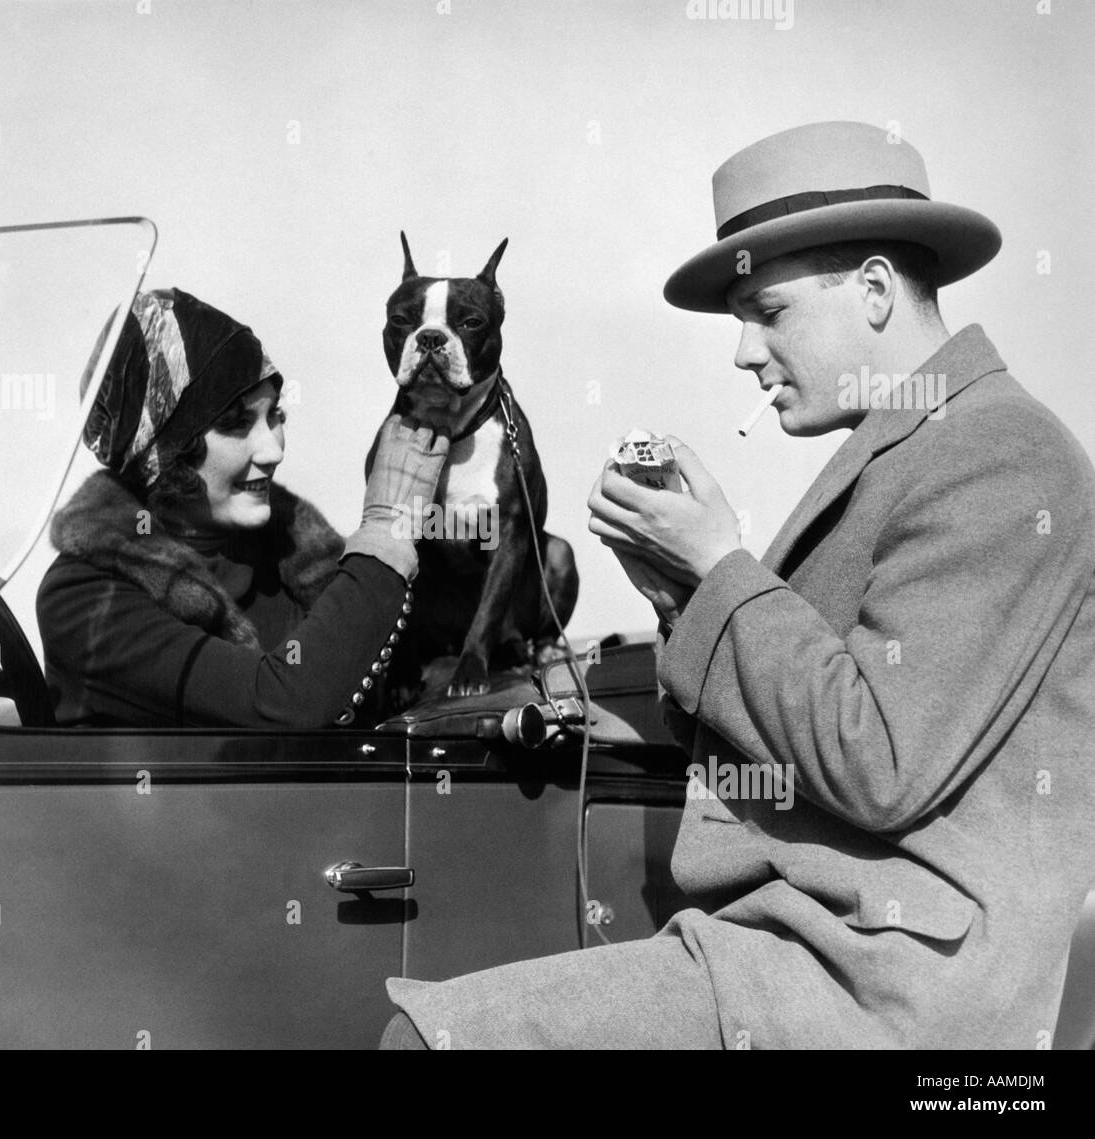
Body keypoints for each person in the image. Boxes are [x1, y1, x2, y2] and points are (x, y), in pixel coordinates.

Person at [380, 121, 1095, 1048]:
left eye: (770, 313)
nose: (744, 353)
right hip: (803, 950)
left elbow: (877, 761)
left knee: (427, 1041)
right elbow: (822, 732)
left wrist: (720, 568)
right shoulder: (914, 448)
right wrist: (683, 595)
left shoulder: (998, 453)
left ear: (875, 290)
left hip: (879, 986)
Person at [37, 287, 448, 729]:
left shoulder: (288, 557)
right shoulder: (84, 599)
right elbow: (285, 700)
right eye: (235, 424)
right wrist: (384, 533)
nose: (272, 450)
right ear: (164, 447)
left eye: (275, 416)